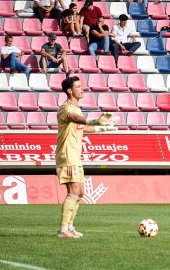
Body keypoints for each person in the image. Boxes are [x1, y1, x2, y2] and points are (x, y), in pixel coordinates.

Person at [56, 76, 118, 238]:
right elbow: (73, 119)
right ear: (70, 91)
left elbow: (81, 127)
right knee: (74, 191)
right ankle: (63, 230)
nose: (82, 89)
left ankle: (69, 226)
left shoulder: (77, 108)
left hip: (75, 156)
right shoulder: (65, 108)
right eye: (78, 86)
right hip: (67, 155)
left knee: (81, 193)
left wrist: (102, 129)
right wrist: (94, 120)